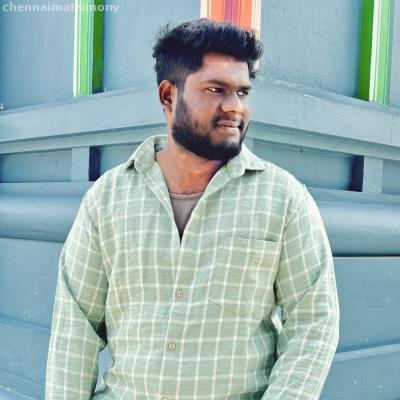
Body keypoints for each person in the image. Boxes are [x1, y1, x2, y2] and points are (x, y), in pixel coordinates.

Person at [46, 18, 340, 400]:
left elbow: (314, 323)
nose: (234, 107)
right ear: (169, 96)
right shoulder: (107, 199)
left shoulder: (284, 199)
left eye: (242, 92)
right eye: (216, 89)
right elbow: (75, 329)